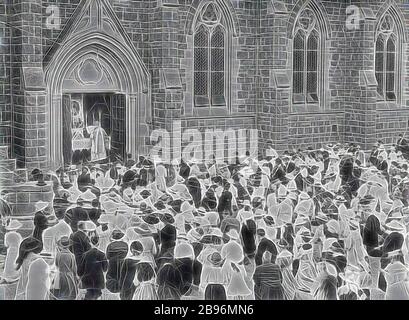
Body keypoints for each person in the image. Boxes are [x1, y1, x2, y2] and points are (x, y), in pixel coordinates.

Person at [78, 234, 108, 300]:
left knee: (88, 297)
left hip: (87, 282)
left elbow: (80, 271)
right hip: (98, 282)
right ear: (99, 243)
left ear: (90, 242)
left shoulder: (85, 255)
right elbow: (105, 269)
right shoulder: (102, 254)